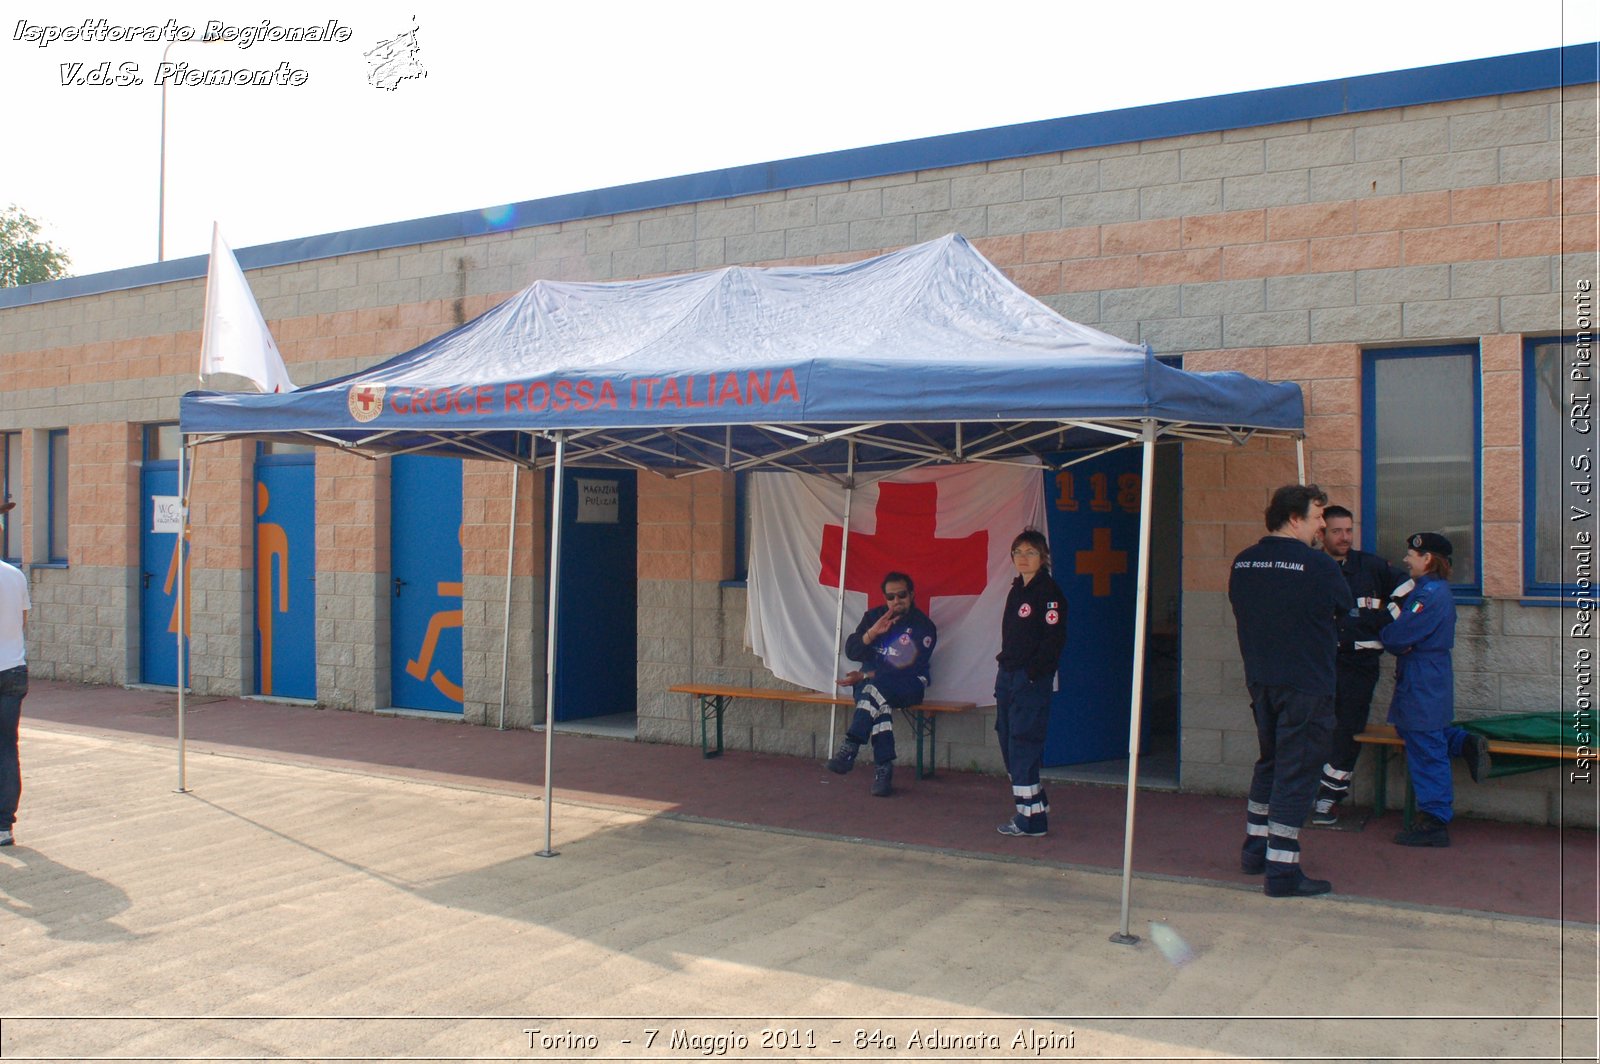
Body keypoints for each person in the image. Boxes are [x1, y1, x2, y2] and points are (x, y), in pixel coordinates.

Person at [1228, 484, 1352, 897]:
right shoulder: (1318, 566)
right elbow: (1344, 607)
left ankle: (1255, 851)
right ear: (1295, 519)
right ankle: (1282, 871)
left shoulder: (1243, 562)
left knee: (1270, 762)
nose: (1323, 526)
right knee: (1296, 772)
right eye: (1318, 517)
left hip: (1262, 679)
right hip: (1307, 683)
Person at [1380, 532, 1489, 848]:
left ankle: (1434, 821)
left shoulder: (1428, 595)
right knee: (1422, 733)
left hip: (1422, 676)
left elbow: (1397, 637)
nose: (1405, 559)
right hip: (1428, 674)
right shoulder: (1431, 591)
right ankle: (1464, 742)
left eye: (1411, 555)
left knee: (1425, 744)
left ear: (1427, 558)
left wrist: (1390, 634)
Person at [1310, 505, 1404, 826]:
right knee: (1315, 727)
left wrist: (1382, 620)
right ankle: (1310, 791)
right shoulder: (1311, 567)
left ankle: (1328, 797)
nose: (1345, 537)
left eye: (1349, 530)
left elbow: (1408, 594)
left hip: (1360, 664)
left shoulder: (1372, 567)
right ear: (1321, 533)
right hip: (1319, 663)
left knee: (1348, 729)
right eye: (1337, 531)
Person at [826, 571, 937, 798]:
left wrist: (866, 676)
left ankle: (851, 745)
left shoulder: (923, 626)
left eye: (902, 595)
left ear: (912, 595)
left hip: (907, 686)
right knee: (878, 703)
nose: (896, 601)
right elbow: (852, 651)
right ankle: (883, 771)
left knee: (874, 690)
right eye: (890, 597)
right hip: (872, 688)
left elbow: (902, 667)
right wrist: (871, 633)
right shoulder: (874, 617)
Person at [993, 529, 1066, 838]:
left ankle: (1030, 821)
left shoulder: (1048, 592)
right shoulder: (1017, 590)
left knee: (1023, 742)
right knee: (1008, 738)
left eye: (1031, 553)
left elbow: (1053, 641)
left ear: (1043, 557)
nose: (1024, 558)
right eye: (1018, 553)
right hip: (1008, 675)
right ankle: (1034, 801)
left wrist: (1033, 674)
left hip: (1029, 679)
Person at [0, 499, 29, 848]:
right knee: (7, 747)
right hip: (12, 671)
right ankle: (4, 825)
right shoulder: (15, 575)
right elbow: (23, 623)